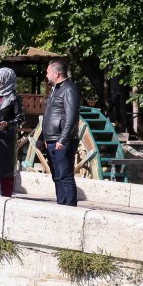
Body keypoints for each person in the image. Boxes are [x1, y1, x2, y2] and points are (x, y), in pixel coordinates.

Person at [42, 59, 80, 206]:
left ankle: (70, 207)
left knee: (65, 175)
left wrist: (63, 139)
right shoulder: (55, 89)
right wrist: (44, 137)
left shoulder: (69, 89)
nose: (46, 76)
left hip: (62, 141)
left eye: (48, 73)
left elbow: (71, 117)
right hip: (51, 139)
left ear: (56, 73)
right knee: (57, 176)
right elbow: (48, 115)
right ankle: (61, 205)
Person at [0, 67, 25, 197]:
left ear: (5, 81)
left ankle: (6, 197)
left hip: (5, 139)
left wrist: (7, 124)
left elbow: (21, 119)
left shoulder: (14, 97)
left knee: (5, 171)